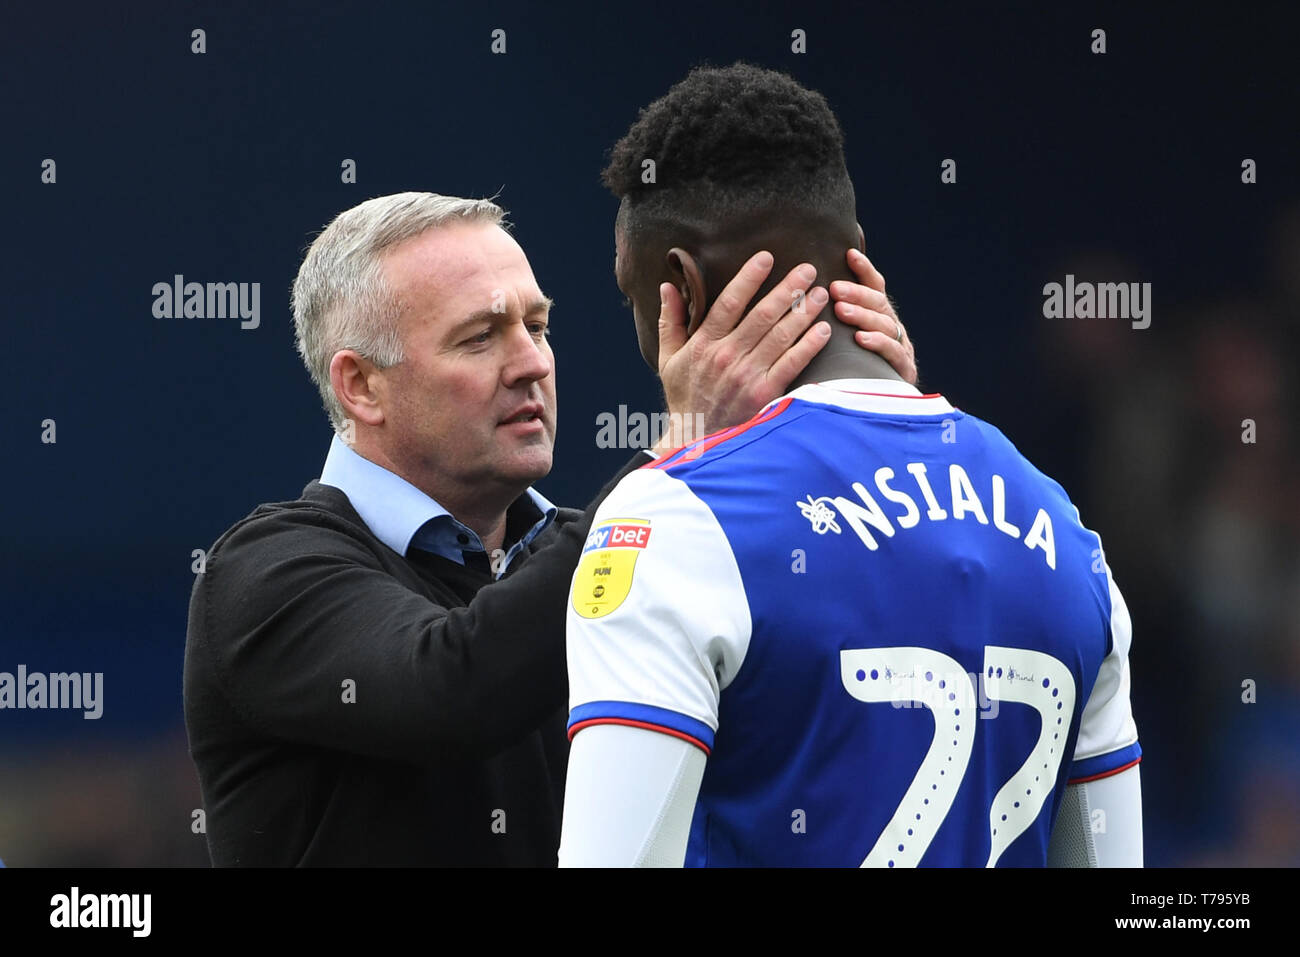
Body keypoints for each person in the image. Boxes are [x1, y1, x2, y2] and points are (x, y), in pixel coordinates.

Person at [182, 191, 916, 866]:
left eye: (537, 325)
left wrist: (875, 432)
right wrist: (684, 444)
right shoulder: (264, 571)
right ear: (361, 385)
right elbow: (452, 687)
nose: (532, 363)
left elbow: (818, 712)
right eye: (480, 338)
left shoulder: (614, 544)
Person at [559, 64, 1143, 867]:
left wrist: (681, 443)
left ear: (681, 292)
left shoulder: (670, 520)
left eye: (636, 298)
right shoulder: (1069, 537)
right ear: (860, 261)